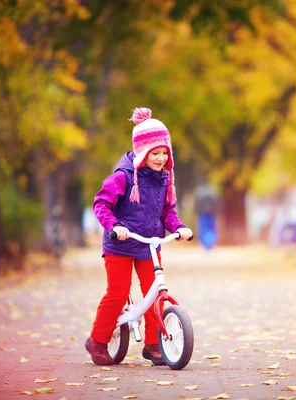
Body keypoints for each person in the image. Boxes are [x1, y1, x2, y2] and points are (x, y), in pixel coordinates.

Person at [86, 107, 193, 366]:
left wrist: (178, 227)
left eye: (164, 152)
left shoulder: (164, 179)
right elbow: (101, 204)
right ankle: (98, 341)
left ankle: (154, 345)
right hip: (121, 243)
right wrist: (114, 226)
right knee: (118, 293)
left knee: (154, 292)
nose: (160, 158)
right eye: (154, 153)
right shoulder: (122, 176)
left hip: (149, 244)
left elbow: (167, 211)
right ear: (142, 152)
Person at [194, 181, 220, 250]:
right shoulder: (212, 191)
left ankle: (205, 245)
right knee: (211, 228)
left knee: (203, 229)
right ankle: (211, 244)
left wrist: (196, 212)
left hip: (202, 213)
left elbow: (197, 204)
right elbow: (216, 203)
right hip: (211, 213)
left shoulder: (199, 192)